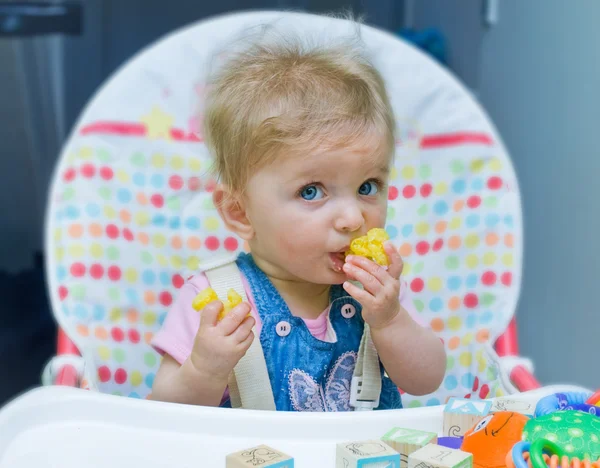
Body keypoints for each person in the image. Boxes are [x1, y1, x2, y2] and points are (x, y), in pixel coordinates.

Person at [149, 23, 446, 411]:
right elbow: (161, 412)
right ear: (240, 212)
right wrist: (204, 370)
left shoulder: (378, 294)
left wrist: (389, 321)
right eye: (311, 191)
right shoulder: (218, 300)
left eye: (368, 186)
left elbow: (426, 380)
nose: (353, 217)